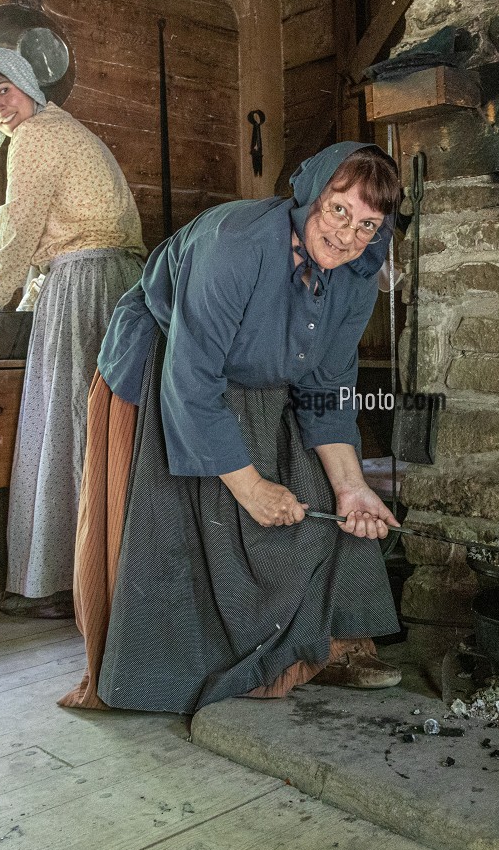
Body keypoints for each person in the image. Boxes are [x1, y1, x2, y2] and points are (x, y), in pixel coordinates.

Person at [59, 141, 404, 713]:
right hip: (163, 362)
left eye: (368, 225)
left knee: (321, 491)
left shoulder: (356, 276)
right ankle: (160, 673)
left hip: (264, 371)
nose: (347, 236)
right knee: (179, 509)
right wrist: (250, 487)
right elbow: (192, 383)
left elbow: (328, 389)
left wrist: (352, 486)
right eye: (338, 210)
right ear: (311, 196)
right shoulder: (235, 245)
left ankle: (326, 646)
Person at [0, 48, 147, 618]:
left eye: (4, 94)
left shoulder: (37, 136)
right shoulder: (68, 130)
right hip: (119, 281)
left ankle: (62, 584)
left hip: (84, 284)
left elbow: (18, 231)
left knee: (64, 423)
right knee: (102, 425)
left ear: (26, 87)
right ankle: (107, 577)